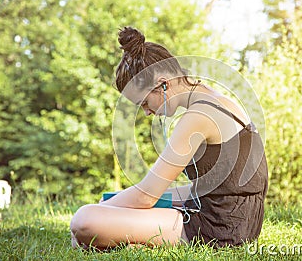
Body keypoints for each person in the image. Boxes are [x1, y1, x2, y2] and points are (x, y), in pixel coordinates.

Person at [70, 27, 268, 249]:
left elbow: (145, 197)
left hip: (217, 229)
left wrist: (106, 209)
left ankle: (127, 238)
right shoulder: (219, 100)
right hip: (241, 223)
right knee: (110, 203)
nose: (146, 112)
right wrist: (113, 201)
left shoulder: (197, 116)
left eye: (144, 102)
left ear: (163, 84)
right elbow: (213, 188)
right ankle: (133, 241)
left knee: (84, 219)